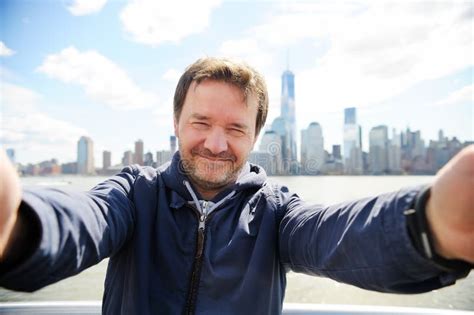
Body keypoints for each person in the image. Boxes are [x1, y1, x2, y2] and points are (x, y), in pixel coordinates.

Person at [0, 57, 472, 315]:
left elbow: (336, 236)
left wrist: (430, 226)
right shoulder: (133, 194)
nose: (216, 143)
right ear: (176, 123)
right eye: (200, 122)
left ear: (256, 137)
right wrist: (18, 227)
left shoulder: (278, 212)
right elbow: (85, 219)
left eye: (236, 129)